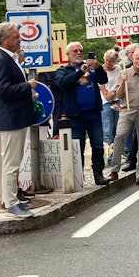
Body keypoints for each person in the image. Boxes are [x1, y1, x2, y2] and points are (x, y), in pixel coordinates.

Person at [0, 22, 39, 217]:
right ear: (4, 40)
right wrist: (27, 86)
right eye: (16, 37)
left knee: (14, 161)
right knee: (11, 163)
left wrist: (28, 94)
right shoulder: (1, 61)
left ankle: (10, 199)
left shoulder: (9, 59)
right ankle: (10, 203)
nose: (20, 40)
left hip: (16, 116)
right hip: (11, 119)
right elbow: (3, 90)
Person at [55, 41, 110, 187]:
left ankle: (98, 174)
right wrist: (80, 71)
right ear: (68, 55)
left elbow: (103, 79)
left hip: (93, 114)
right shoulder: (63, 70)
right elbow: (63, 84)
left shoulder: (91, 69)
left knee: (98, 145)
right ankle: (78, 178)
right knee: (77, 147)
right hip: (75, 115)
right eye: (75, 51)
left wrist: (98, 68)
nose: (79, 53)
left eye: (81, 50)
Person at [110, 47, 139, 185]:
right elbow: (119, 96)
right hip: (127, 111)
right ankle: (114, 170)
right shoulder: (124, 73)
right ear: (132, 59)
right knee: (120, 135)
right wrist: (123, 81)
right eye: (137, 59)